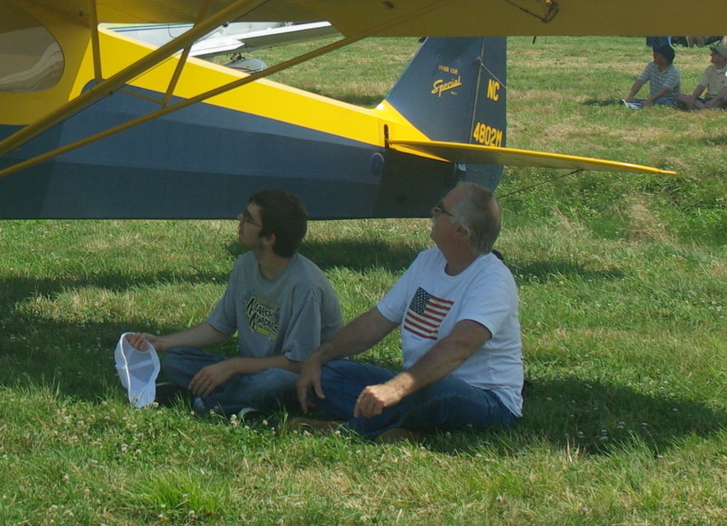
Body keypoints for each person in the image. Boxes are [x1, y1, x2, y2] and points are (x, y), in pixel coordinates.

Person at [293, 182, 522, 442]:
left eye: (440, 209)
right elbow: (377, 321)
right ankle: (405, 426)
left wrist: (394, 389)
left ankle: (345, 430)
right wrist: (319, 357)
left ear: (460, 230)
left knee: (437, 393)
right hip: (417, 384)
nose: (432, 212)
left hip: (484, 398)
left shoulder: (492, 279)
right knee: (331, 374)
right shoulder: (427, 261)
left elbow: (460, 346)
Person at [123, 189, 341, 417]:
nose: (239, 219)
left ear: (269, 238)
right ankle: (239, 405)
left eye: (248, 219)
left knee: (277, 382)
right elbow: (219, 327)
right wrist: (162, 343)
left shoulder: (305, 285)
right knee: (176, 359)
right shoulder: (246, 265)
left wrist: (233, 366)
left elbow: (299, 364)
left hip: (296, 375)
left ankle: (204, 402)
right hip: (252, 369)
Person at [623, 44, 682, 108]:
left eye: (657, 55)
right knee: (645, 101)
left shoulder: (673, 72)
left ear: (664, 59)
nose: (654, 56)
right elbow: (640, 81)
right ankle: (634, 103)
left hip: (669, 100)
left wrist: (649, 100)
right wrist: (631, 96)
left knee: (661, 101)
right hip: (654, 98)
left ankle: (637, 105)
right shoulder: (652, 66)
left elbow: (664, 90)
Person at [686, 45, 727, 110]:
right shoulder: (709, 69)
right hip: (709, 98)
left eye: (714, 54)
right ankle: (707, 107)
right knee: (680, 96)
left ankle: (706, 107)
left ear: (721, 58)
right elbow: (701, 86)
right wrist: (693, 99)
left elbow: (726, 90)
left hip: (721, 98)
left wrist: (713, 101)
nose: (711, 55)